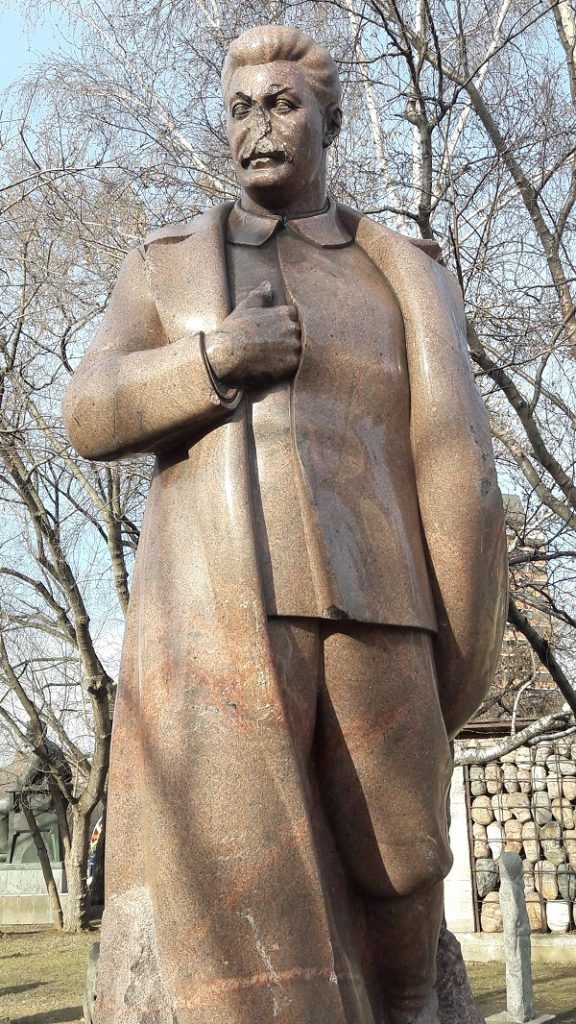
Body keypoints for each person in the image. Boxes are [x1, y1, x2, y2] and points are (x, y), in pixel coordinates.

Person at [63, 25, 507, 1024]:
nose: (257, 127)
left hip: (381, 596)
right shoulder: (167, 268)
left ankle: (410, 1005)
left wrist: (463, 604)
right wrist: (213, 359)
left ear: (329, 118)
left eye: (282, 104)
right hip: (227, 609)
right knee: (233, 872)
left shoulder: (401, 272)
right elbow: (88, 410)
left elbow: (448, 447)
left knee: (402, 852)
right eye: (239, 108)